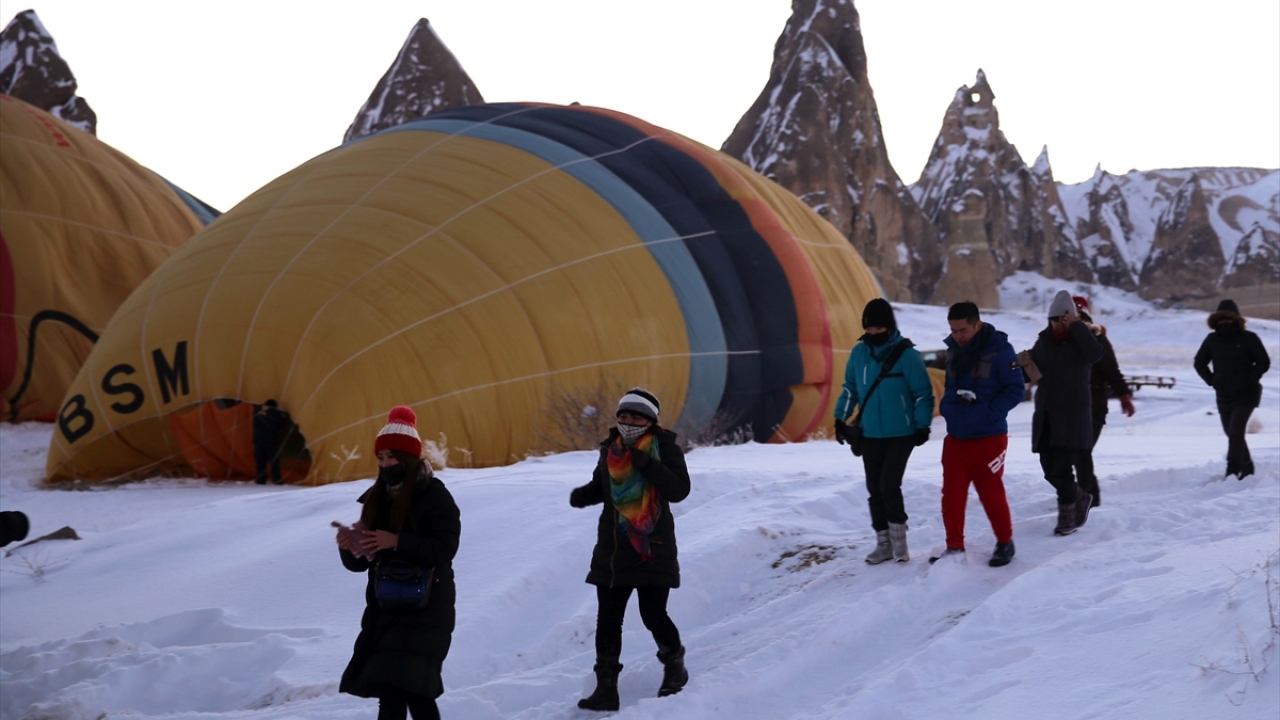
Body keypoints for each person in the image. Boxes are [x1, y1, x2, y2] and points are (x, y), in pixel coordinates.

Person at [569, 388, 691, 711]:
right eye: (622, 416)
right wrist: (583, 494)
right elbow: (602, 486)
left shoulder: (665, 448)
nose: (627, 422)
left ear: (650, 420)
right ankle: (605, 689)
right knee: (608, 620)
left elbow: (679, 490)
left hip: (652, 548)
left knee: (652, 614)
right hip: (613, 551)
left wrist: (649, 465)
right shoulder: (611, 449)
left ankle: (674, 666)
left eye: (635, 417)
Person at [337, 406, 461, 720]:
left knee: (414, 689)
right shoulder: (377, 498)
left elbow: (445, 549)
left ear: (408, 458)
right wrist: (350, 548)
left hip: (427, 605)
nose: (384, 464)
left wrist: (398, 541)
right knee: (392, 690)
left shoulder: (434, 495)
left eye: (391, 457)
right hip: (386, 606)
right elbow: (363, 563)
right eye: (380, 458)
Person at [833, 298, 935, 564]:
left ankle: (900, 542)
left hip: (901, 433)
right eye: (870, 329)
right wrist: (840, 419)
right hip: (870, 434)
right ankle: (884, 543)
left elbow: (923, 394)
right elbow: (850, 389)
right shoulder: (858, 354)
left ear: (890, 327)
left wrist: (922, 425)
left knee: (889, 484)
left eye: (879, 329)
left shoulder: (907, 355)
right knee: (874, 488)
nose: (874, 334)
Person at [934, 301, 1025, 567]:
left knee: (990, 492)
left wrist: (990, 413)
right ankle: (954, 547)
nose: (957, 336)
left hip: (989, 436)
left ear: (978, 325)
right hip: (956, 437)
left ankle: (1005, 542)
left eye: (963, 330)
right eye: (953, 330)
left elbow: (1015, 389)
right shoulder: (953, 350)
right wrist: (949, 407)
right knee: (951, 494)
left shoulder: (1001, 350)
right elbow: (951, 385)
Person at [1030, 290, 1104, 536]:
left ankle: (1067, 516)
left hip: (1072, 418)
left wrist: (1077, 328)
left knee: (1061, 467)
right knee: (1048, 469)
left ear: (1071, 319)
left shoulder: (1082, 342)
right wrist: (1020, 365)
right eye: (1055, 320)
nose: (1059, 325)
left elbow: (1096, 355)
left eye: (1064, 320)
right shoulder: (1043, 343)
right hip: (1047, 416)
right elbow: (1032, 374)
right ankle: (1080, 496)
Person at [1194, 299, 1271, 479]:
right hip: (1223, 394)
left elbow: (1263, 362)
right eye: (1221, 320)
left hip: (1247, 394)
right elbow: (1199, 363)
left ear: (1236, 320)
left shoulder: (1249, 338)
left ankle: (1232, 472)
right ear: (1215, 320)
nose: (1224, 323)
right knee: (1231, 433)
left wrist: (1250, 379)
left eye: (1228, 320)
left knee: (1236, 432)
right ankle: (1248, 468)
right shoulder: (1212, 340)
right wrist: (1213, 380)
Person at [1070, 295, 1136, 507]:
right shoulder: (1058, 339)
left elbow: (1111, 370)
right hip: (1067, 407)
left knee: (1082, 452)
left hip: (1094, 405)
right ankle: (1085, 494)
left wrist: (1124, 396)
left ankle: (1089, 496)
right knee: (1074, 453)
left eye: (1079, 314)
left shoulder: (1096, 338)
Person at [253, 399, 291, 485]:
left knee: (260, 460)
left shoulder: (257, 411)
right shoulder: (276, 413)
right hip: (271, 440)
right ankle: (276, 479)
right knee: (273, 460)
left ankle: (260, 479)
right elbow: (283, 424)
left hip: (258, 440)